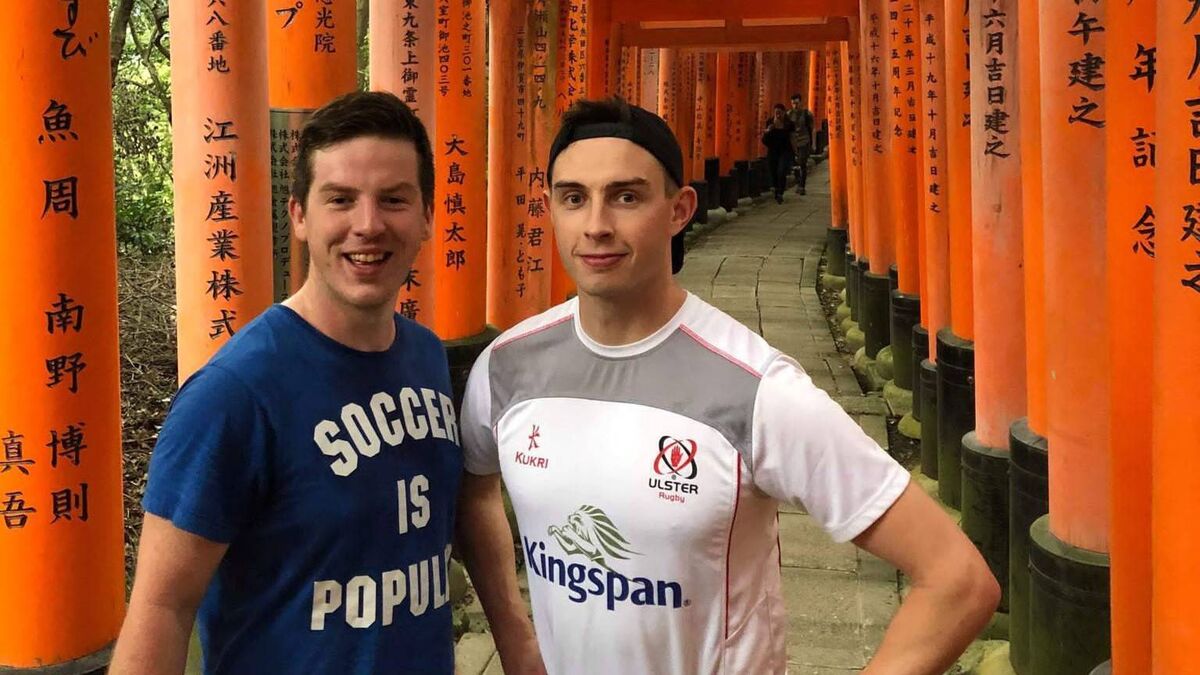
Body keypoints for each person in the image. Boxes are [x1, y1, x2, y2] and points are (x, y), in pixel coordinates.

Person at [457, 98, 999, 675]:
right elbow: (474, 488)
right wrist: (516, 641)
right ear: (549, 210)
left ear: (679, 209)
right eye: (574, 198)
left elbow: (959, 581)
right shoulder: (507, 366)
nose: (595, 224)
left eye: (626, 196)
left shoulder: (754, 388)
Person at [110, 92, 466, 674]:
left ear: (428, 215)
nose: (368, 225)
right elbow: (161, 607)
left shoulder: (424, 356)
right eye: (341, 200)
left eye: (394, 200)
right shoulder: (235, 394)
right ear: (300, 216)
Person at [762, 104, 796, 204]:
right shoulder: (770, 122)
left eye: (780, 112)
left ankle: (780, 192)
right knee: (773, 171)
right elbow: (765, 139)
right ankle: (777, 189)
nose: (778, 115)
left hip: (785, 151)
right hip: (773, 151)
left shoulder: (789, 124)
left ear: (784, 113)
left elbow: (792, 138)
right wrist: (768, 130)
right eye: (776, 112)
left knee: (781, 171)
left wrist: (795, 151)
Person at [787, 93, 815, 195]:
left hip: (804, 141)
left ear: (801, 102)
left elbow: (812, 129)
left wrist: (813, 143)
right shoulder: (789, 114)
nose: (795, 105)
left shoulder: (807, 114)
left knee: (802, 163)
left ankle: (802, 186)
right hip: (793, 142)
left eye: (797, 103)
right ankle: (798, 183)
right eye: (793, 103)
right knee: (795, 165)